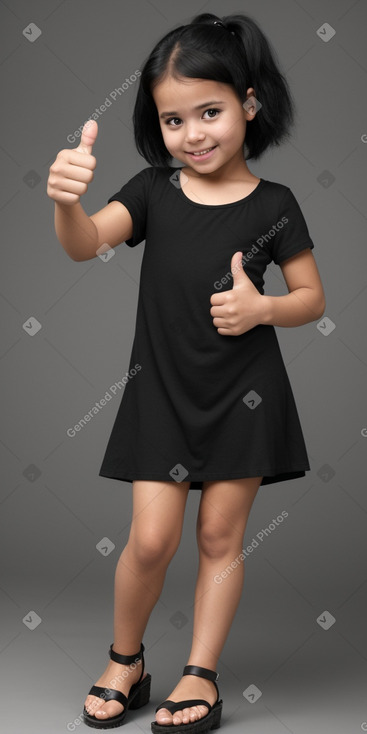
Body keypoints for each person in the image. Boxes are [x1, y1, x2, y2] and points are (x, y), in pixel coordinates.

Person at [47, 11, 326, 733]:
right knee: (149, 540)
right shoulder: (150, 191)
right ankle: (126, 660)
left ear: (249, 104)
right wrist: (65, 202)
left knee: (218, 541)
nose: (192, 133)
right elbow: (83, 246)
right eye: (174, 120)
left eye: (209, 111)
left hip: (243, 395)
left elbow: (310, 299)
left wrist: (261, 309)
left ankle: (200, 676)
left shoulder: (275, 205)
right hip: (161, 394)